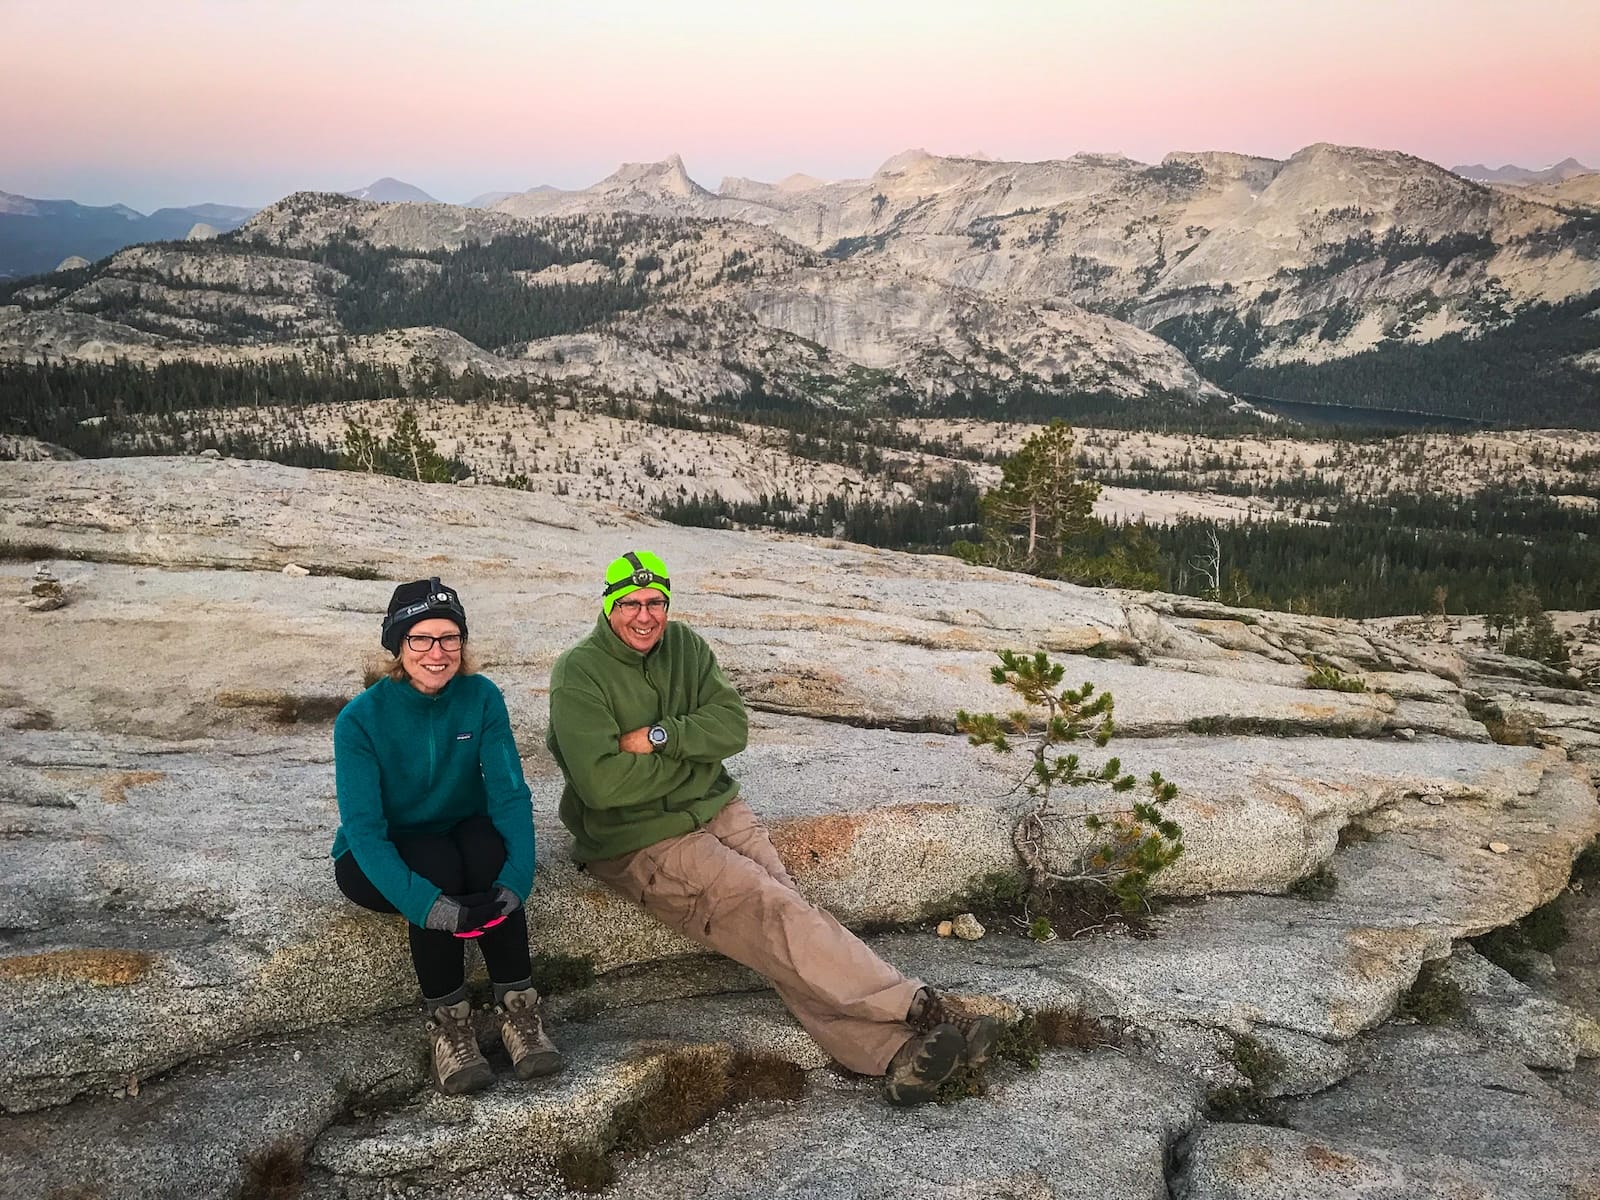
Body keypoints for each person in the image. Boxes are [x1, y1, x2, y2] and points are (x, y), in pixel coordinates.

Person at [545, 551, 997, 1105]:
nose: (646, 616)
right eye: (631, 603)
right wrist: (694, 753)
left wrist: (661, 738)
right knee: (773, 910)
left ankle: (891, 1056)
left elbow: (732, 726)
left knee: (784, 918)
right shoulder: (579, 673)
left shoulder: (685, 645)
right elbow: (603, 787)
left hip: (716, 809)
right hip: (642, 840)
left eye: (656, 602)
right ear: (609, 604)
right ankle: (921, 1007)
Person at [332, 577, 561, 1094]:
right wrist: (430, 908)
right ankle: (451, 1026)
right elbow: (365, 830)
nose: (437, 653)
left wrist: (516, 882)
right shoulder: (359, 720)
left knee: (486, 855)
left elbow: (508, 794)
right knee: (436, 870)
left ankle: (519, 1012)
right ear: (398, 645)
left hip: (458, 831)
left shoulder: (480, 697)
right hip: (380, 852)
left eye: (450, 638)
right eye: (421, 639)